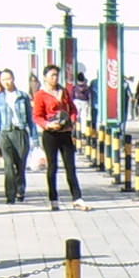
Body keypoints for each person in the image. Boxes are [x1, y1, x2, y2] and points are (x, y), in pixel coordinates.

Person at [35, 63, 86, 210]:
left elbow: (73, 109)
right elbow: (37, 116)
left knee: (70, 166)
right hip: (50, 134)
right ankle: (53, 198)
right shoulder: (40, 95)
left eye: (56, 75)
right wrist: (47, 125)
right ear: (45, 78)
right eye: (52, 75)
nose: (55, 78)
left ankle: (77, 197)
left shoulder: (63, 91)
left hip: (65, 132)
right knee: (52, 167)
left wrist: (72, 120)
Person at [0, 69, 36, 204]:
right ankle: (10, 194)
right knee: (8, 165)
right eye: (3, 79)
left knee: (20, 165)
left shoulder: (23, 96)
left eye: (8, 78)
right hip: (6, 133)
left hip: (20, 132)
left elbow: (30, 118)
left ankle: (20, 189)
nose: (6, 82)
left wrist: (35, 138)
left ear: (13, 79)